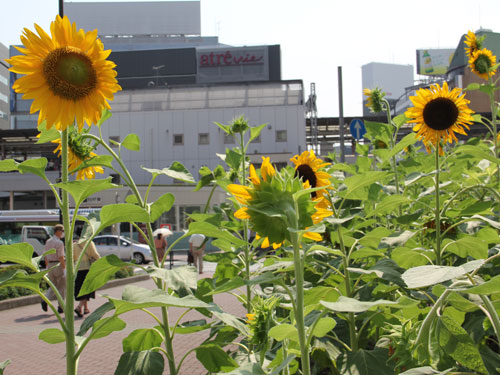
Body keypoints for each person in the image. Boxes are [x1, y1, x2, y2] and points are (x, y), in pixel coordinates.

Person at [41, 224, 65, 314]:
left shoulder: (48, 241)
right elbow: (61, 257)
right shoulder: (59, 243)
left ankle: (45, 299)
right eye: (62, 231)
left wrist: (47, 267)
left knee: (53, 285)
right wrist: (64, 269)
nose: (63, 233)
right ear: (58, 231)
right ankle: (61, 306)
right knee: (61, 286)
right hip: (58, 265)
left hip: (50, 265)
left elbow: (45, 255)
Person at [73, 240, 100, 318]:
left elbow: (72, 258)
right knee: (87, 289)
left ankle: (86, 308)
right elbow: (95, 254)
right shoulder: (90, 243)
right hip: (88, 268)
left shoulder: (74, 245)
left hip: (77, 269)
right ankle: (79, 307)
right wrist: (101, 261)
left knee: (81, 289)